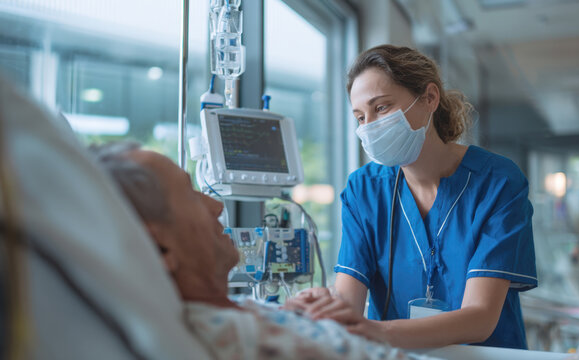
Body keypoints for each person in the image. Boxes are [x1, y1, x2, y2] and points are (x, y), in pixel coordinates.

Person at [285, 44, 537, 350]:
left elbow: (480, 318)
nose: (371, 126)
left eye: (381, 108)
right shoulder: (363, 191)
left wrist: (375, 331)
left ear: (430, 98)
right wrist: (324, 305)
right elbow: (348, 305)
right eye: (360, 117)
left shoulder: (497, 183)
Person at [89, 142, 438, 360]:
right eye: (189, 193)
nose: (213, 204)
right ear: (161, 247)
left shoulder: (239, 311)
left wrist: (294, 315)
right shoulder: (228, 338)